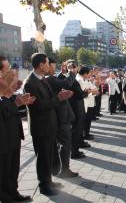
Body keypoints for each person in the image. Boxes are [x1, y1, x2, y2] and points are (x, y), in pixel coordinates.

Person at [24, 53, 72, 196]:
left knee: (49, 156)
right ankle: (44, 185)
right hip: (41, 127)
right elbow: (38, 106)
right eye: (47, 63)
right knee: (43, 158)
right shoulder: (30, 83)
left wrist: (60, 95)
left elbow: (49, 99)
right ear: (40, 65)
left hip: (50, 125)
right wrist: (58, 98)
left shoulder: (43, 79)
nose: (49, 66)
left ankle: (49, 181)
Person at [0, 70, 34, 203]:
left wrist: (20, 102)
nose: (17, 84)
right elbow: (6, 112)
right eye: (14, 82)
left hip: (14, 138)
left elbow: (11, 109)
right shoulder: (3, 98)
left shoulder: (9, 98)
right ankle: (5, 197)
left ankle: (13, 192)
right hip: (4, 141)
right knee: (4, 170)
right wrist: (17, 103)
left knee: (13, 169)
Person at [46, 58, 78, 178]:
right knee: (65, 143)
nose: (55, 68)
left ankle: (62, 168)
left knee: (63, 143)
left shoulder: (50, 78)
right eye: (53, 66)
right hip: (60, 116)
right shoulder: (51, 78)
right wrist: (71, 72)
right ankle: (64, 169)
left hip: (61, 115)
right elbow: (67, 83)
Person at [66, 61, 89, 159]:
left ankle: (76, 150)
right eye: (74, 67)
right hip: (76, 109)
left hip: (77, 108)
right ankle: (74, 152)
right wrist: (85, 93)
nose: (75, 69)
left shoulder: (72, 79)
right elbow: (79, 94)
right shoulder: (71, 79)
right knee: (76, 131)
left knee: (77, 130)